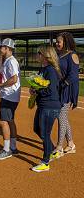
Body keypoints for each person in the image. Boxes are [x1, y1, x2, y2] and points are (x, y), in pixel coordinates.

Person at [30, 45, 61, 172]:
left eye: (39, 53)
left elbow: (50, 89)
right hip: (43, 104)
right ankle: (53, 150)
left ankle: (45, 162)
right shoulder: (42, 69)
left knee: (44, 133)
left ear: (45, 56)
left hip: (50, 105)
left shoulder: (51, 71)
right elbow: (40, 86)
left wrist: (37, 90)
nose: (37, 55)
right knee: (37, 129)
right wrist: (34, 89)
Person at [50, 32, 79, 160]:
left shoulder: (72, 55)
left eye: (59, 42)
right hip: (60, 88)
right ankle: (71, 144)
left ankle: (59, 147)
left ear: (65, 42)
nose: (57, 43)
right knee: (63, 117)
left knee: (61, 116)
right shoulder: (59, 54)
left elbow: (73, 75)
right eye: (56, 41)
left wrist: (63, 84)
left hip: (67, 89)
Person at [0, 38, 21, 160]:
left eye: (2, 47)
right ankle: (13, 147)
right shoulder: (7, 61)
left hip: (9, 96)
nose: (0, 49)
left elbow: (14, 79)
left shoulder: (11, 62)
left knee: (3, 122)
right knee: (10, 121)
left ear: (8, 48)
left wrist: (1, 85)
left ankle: (6, 149)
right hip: (10, 95)